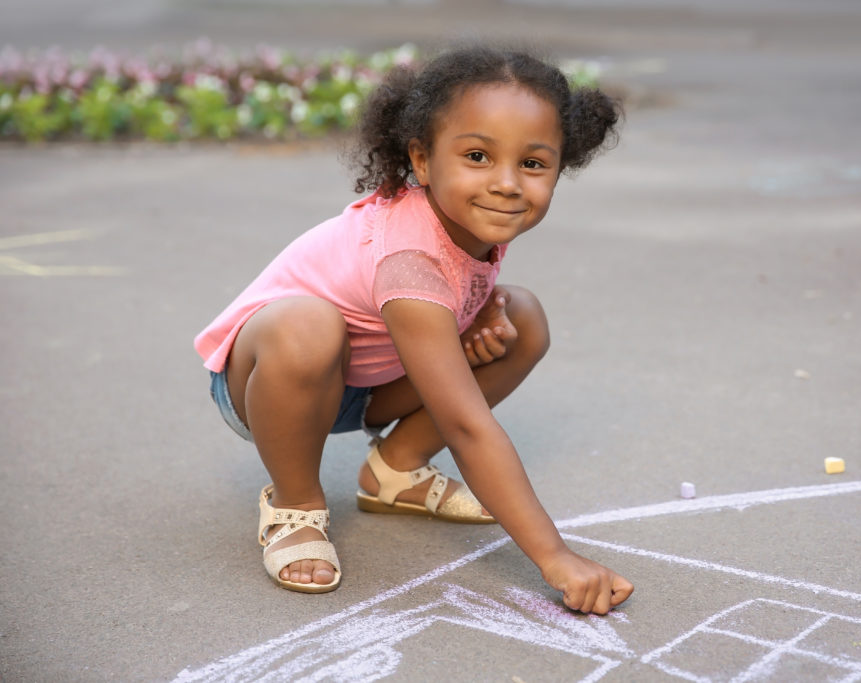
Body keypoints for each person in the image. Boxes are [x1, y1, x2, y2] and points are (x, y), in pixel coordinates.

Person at [194, 45, 633, 614]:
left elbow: (450, 306)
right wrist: (556, 557)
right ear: (422, 162)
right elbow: (466, 425)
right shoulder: (409, 260)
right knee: (308, 325)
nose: (506, 183)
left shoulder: (471, 219)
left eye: (532, 164)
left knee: (519, 317)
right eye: (478, 155)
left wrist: (475, 318)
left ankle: (394, 472)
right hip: (269, 382)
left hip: (368, 382)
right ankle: (295, 504)